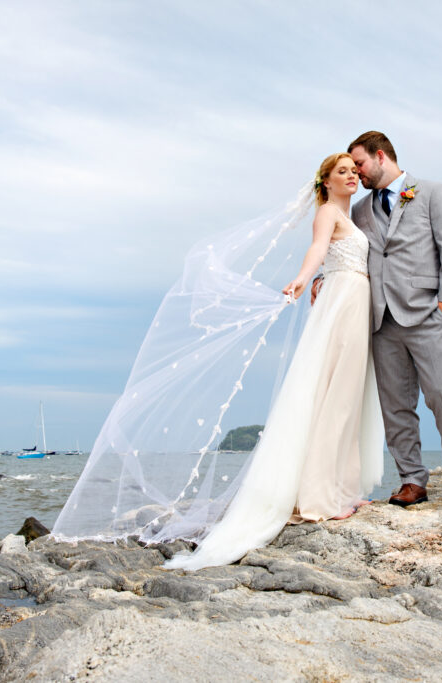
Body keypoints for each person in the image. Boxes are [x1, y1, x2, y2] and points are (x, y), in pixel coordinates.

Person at [164, 153, 383, 570]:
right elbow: (318, 249)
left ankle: (341, 488)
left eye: (355, 171)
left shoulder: (348, 214)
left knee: (346, 398)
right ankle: (320, 498)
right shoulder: (325, 213)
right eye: (344, 172)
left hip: (355, 302)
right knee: (334, 398)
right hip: (342, 304)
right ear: (326, 181)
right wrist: (304, 278)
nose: (353, 176)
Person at [315, 131, 442, 506]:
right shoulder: (358, 211)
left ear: (381, 156)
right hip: (380, 320)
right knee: (395, 405)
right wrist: (325, 276)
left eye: (359, 163)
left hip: (427, 314)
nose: (356, 173)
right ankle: (412, 480)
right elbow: (344, 249)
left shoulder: (432, 192)